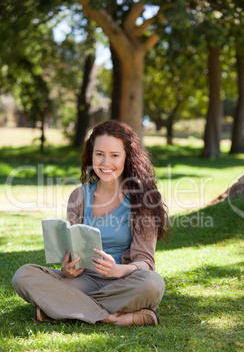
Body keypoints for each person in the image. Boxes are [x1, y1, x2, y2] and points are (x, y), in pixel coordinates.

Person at [12, 120, 168, 326]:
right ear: (91, 155)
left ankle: (60, 308)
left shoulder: (143, 199)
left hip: (123, 282)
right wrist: (67, 269)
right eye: (99, 154)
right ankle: (111, 318)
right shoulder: (79, 196)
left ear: (127, 157)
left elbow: (146, 263)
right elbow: (72, 250)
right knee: (22, 275)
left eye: (114, 155)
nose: (105, 163)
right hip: (83, 281)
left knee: (153, 283)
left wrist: (116, 270)